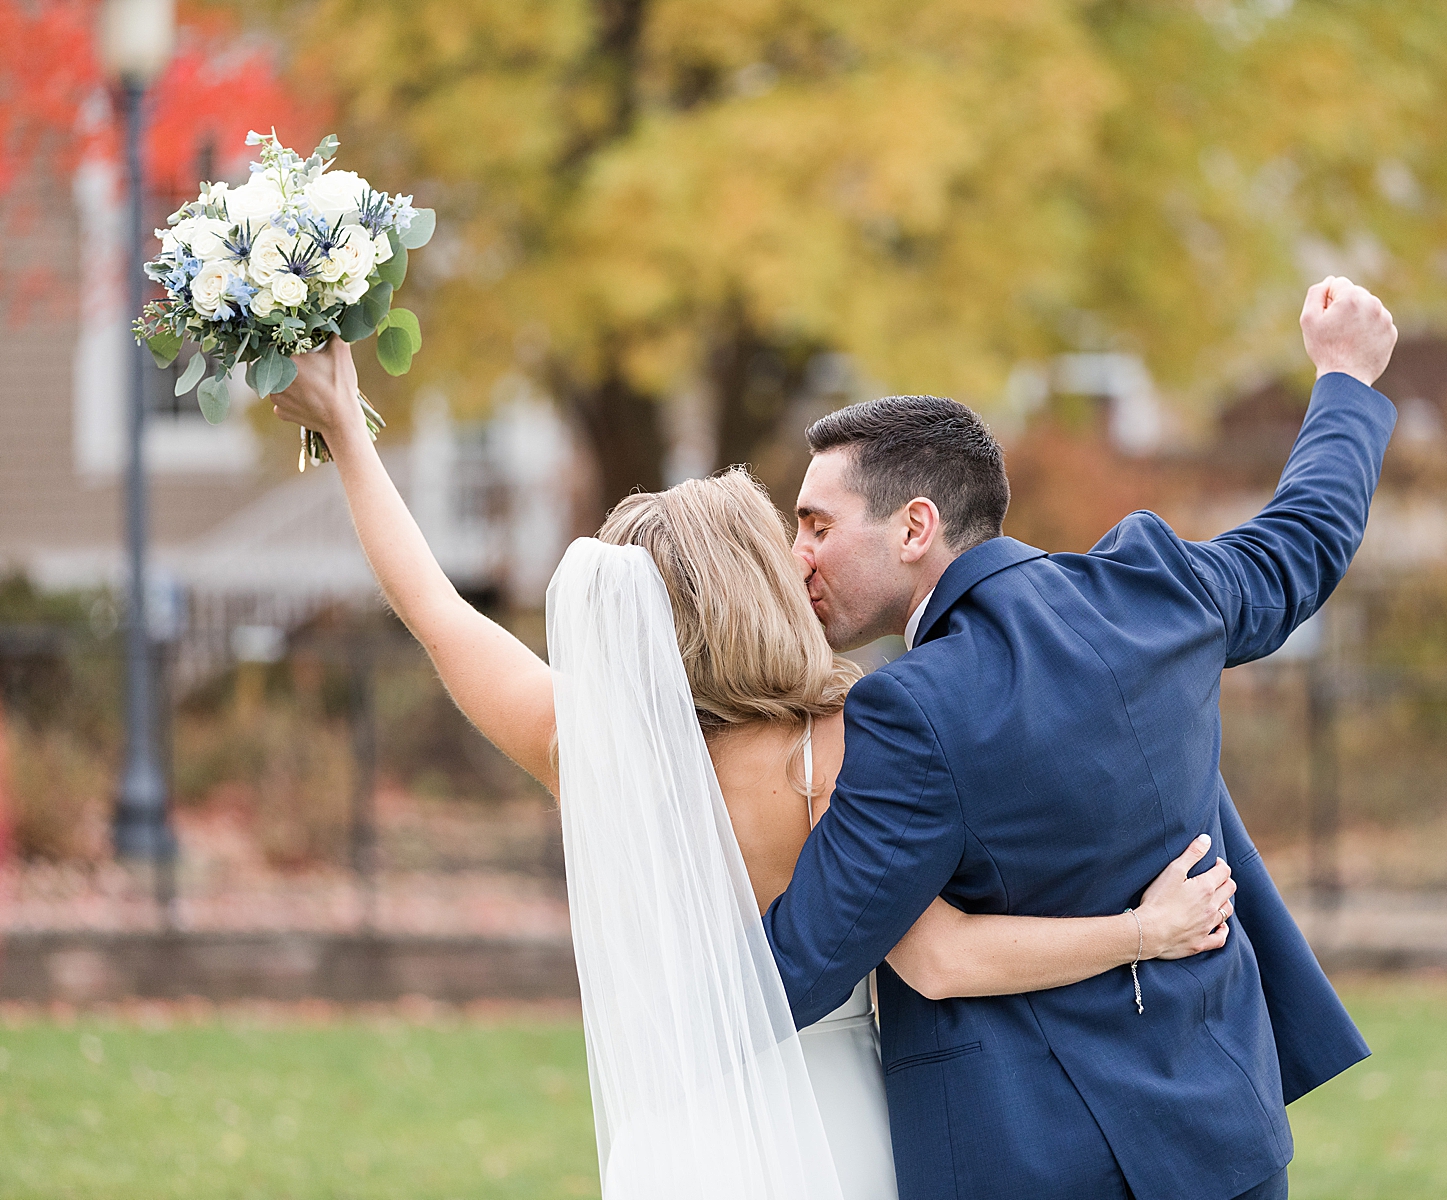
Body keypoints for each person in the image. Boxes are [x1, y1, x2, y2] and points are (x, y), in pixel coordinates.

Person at [272, 349, 1242, 1198]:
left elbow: (433, 605)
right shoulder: (846, 745)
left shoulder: (583, 748)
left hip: (674, 1149)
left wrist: (346, 429)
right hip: (837, 1134)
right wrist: (1141, 931)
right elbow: (943, 961)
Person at [761, 275, 1399, 1200]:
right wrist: (1345, 377)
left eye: (817, 525)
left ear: (915, 528)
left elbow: (796, 967)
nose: (798, 555)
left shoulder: (908, 714)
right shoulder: (1158, 590)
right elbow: (1304, 541)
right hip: (1228, 1143)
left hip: (1035, 1164)